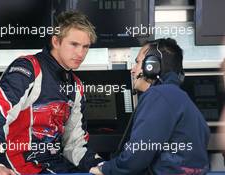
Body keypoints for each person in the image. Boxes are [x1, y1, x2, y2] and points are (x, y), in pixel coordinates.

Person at [0, 11, 103, 175]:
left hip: (54, 166)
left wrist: (101, 165)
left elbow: (74, 144)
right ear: (56, 41)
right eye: (74, 44)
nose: (80, 53)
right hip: (17, 166)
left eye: (85, 46)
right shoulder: (27, 69)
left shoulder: (76, 87)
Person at [89, 38, 210, 175]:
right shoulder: (178, 97)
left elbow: (138, 155)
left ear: (152, 66)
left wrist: (105, 168)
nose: (132, 70)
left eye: (137, 62)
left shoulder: (159, 95)